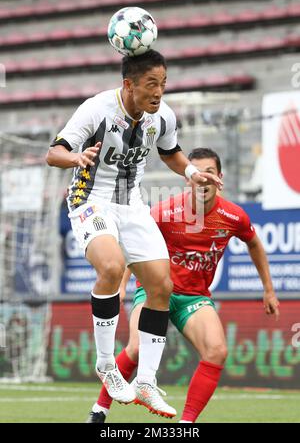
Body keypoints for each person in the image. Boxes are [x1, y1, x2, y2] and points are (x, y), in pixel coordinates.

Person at [46, 51, 223, 417]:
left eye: (163, 84)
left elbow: (170, 152)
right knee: (111, 268)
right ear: (129, 84)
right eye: (151, 84)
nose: (158, 92)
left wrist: (192, 173)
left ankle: (145, 382)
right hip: (91, 200)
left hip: (133, 206)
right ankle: (107, 364)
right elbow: (55, 152)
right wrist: (76, 158)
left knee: (161, 285)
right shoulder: (96, 109)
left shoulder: (163, 115)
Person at [90, 147, 280, 423]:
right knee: (136, 347)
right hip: (155, 291)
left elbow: (254, 243)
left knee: (217, 351)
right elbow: (134, 244)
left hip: (194, 298)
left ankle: (185, 424)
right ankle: (99, 411)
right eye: (197, 173)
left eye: (210, 173)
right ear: (188, 178)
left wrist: (268, 289)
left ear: (220, 178)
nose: (203, 179)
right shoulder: (165, 212)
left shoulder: (233, 216)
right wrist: (122, 285)